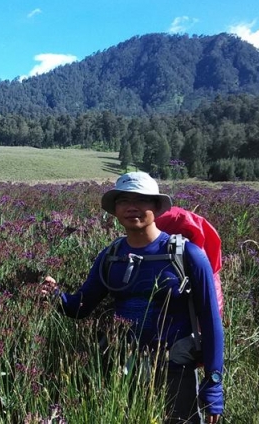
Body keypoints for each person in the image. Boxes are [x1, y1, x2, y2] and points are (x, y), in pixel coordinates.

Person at [41, 171, 224, 423]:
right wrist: (55, 296)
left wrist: (213, 384)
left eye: (141, 200)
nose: (132, 207)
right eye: (123, 201)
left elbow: (211, 321)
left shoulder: (188, 255)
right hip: (122, 370)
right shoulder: (111, 256)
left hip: (176, 368)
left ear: (157, 207)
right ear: (115, 209)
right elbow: (80, 308)